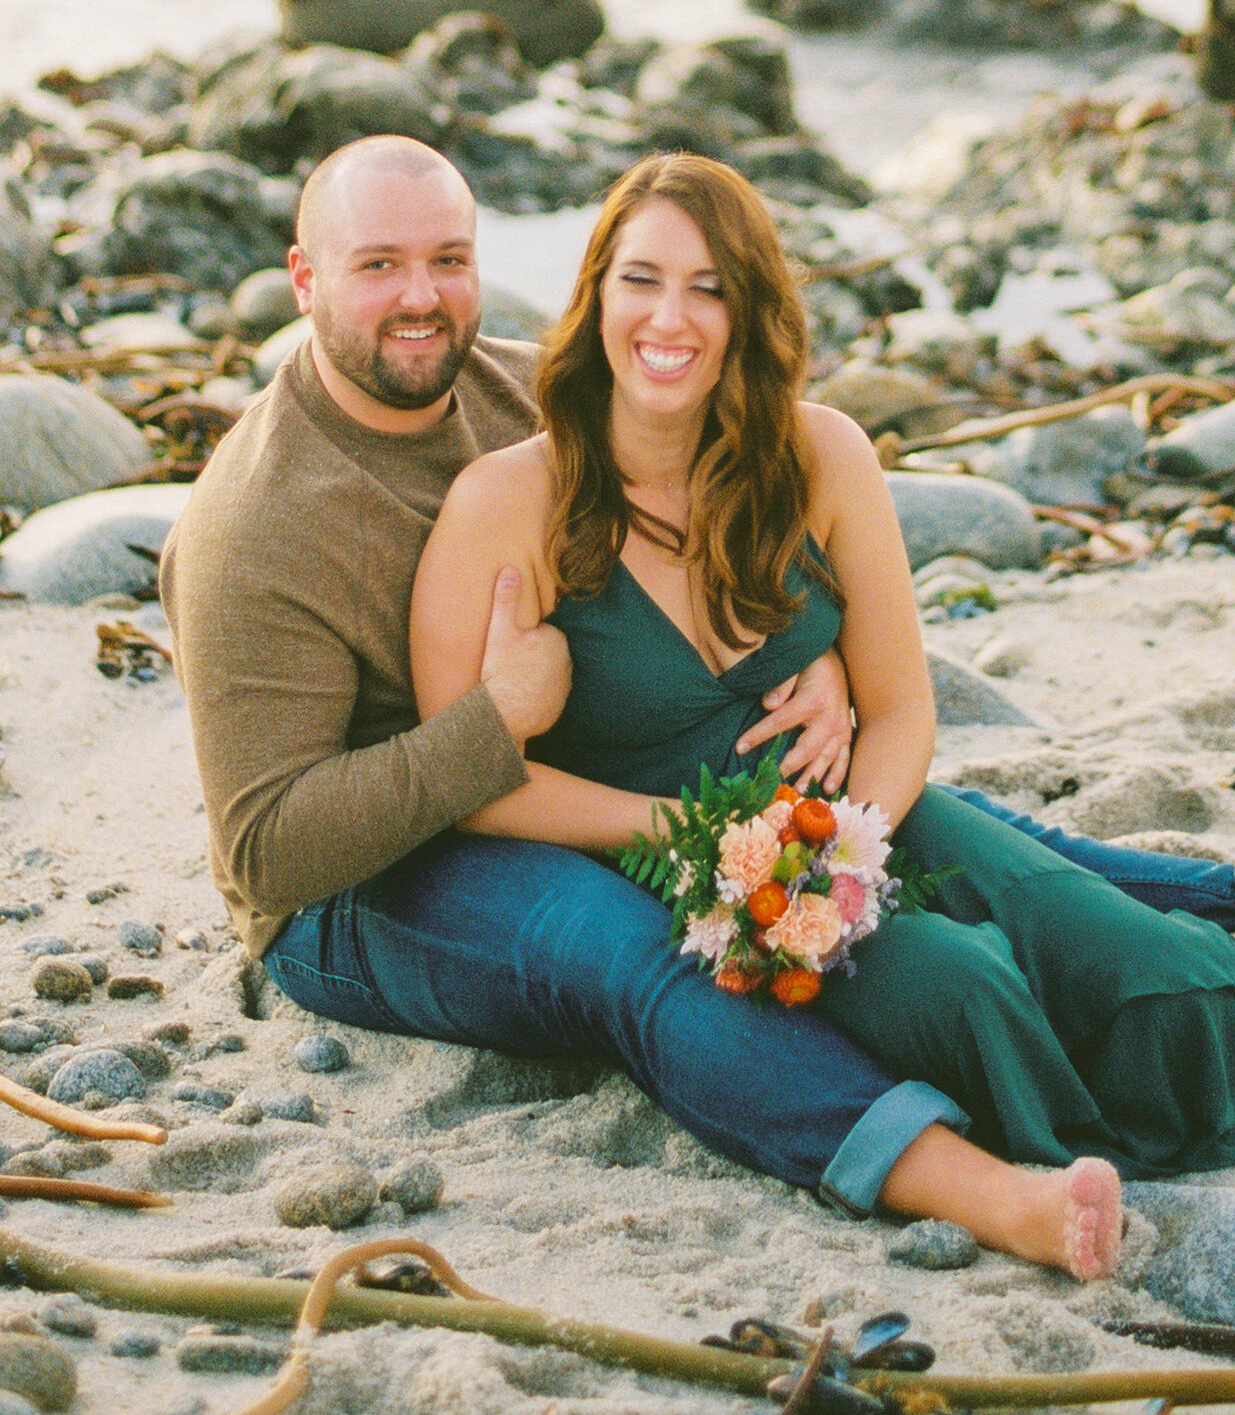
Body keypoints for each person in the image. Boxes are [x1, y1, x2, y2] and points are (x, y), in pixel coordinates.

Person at [410, 151, 1235, 1248]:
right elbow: (470, 786)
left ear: (750, 314)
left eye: (708, 289)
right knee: (963, 991)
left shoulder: (821, 457)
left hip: (858, 821)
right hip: (678, 877)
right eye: (641, 281)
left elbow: (904, 710)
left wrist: (841, 855)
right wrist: (709, 846)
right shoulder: (507, 502)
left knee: (1142, 973)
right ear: (593, 296)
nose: (670, 320)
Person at [164, 133, 1181, 1274]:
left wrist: (819, 657)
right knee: (635, 949)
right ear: (303, 280)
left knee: (924, 825)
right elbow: (264, 856)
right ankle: (975, 1188)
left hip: (560, 789)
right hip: (361, 893)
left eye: (448, 259)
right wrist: (495, 725)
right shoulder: (253, 530)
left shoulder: (509, 388)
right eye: (376, 266)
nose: (421, 298)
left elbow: (693, 529)